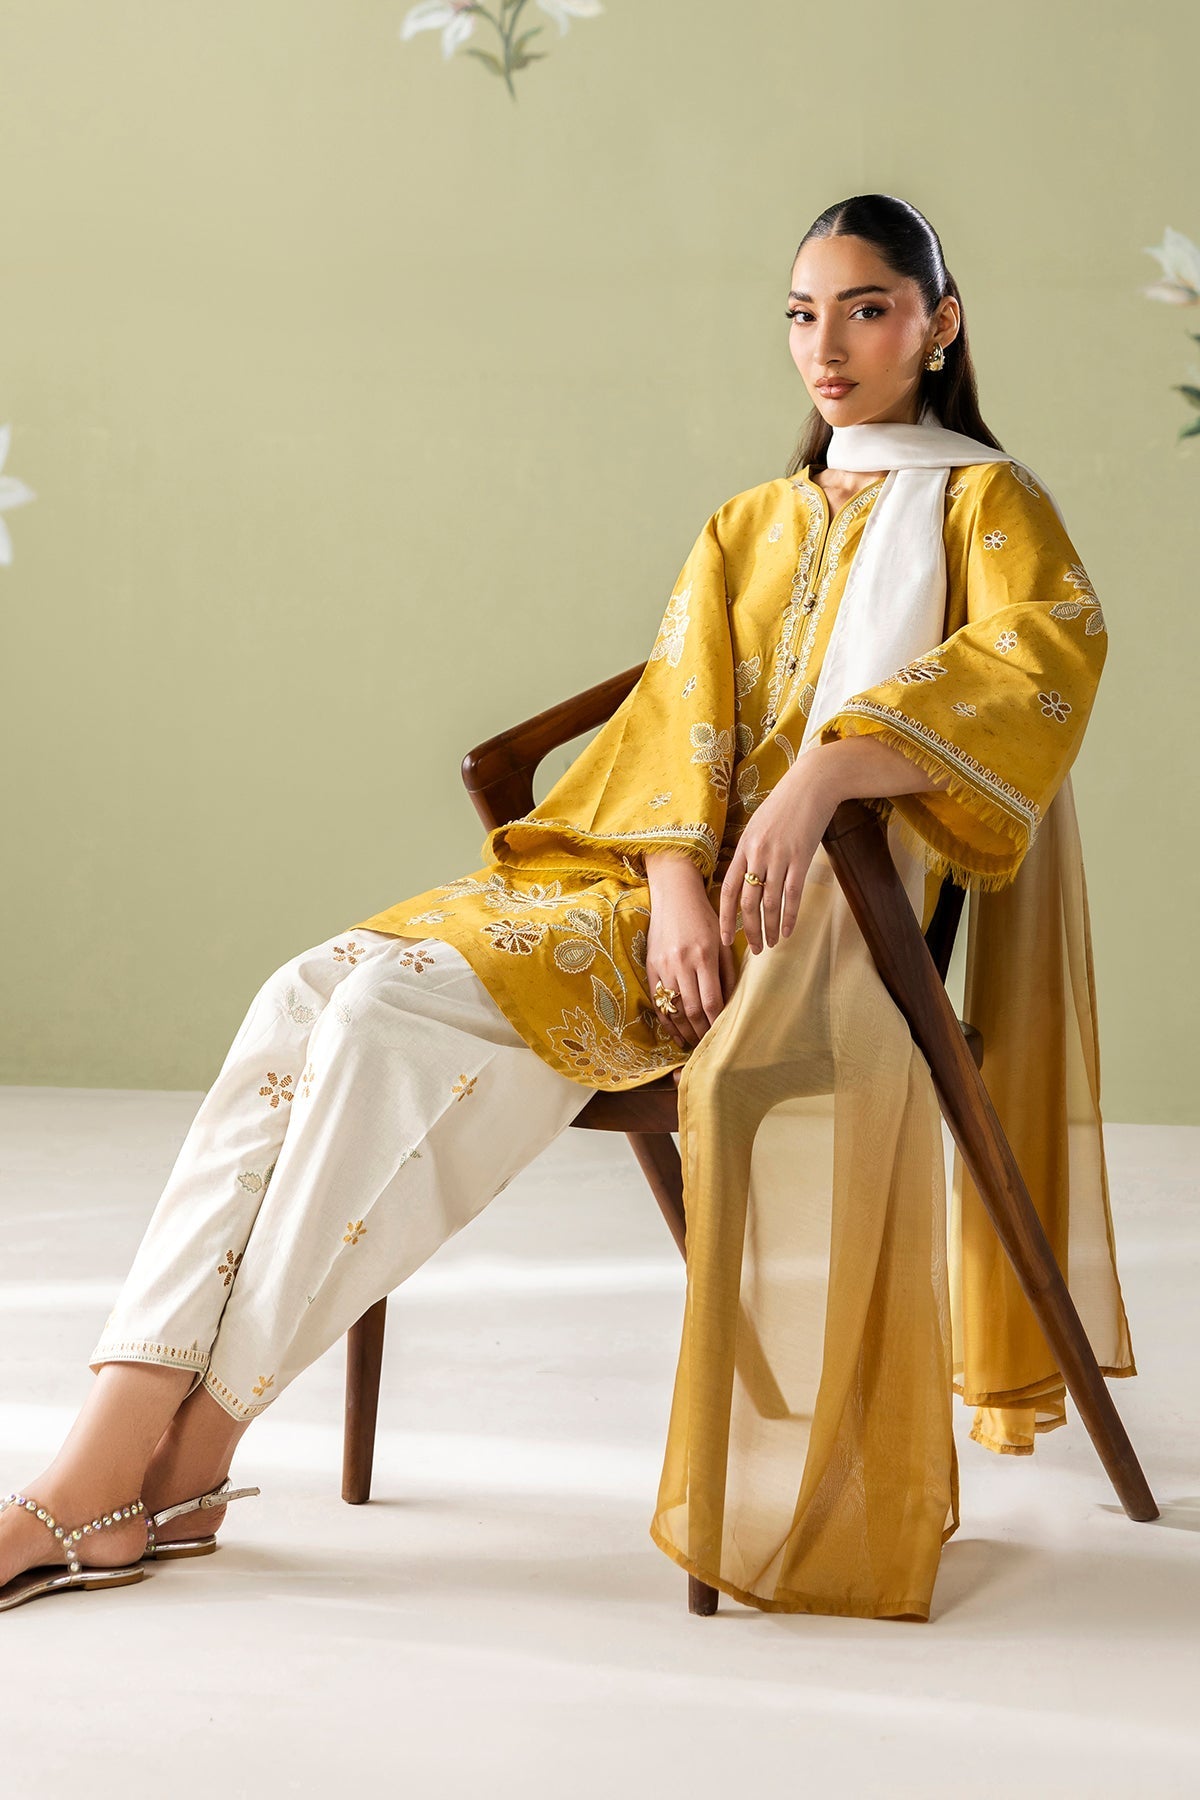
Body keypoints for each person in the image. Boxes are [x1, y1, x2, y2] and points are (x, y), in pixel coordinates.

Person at [1, 192, 1135, 1621]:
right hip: (643, 899)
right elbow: (674, 728)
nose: (828, 347)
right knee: (306, 992)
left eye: (865, 309)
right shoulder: (747, 524)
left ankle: (161, 1456)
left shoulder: (990, 504)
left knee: (384, 1016)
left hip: (825, 928)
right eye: (802, 313)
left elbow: (1039, 664)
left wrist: (817, 785)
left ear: (937, 324)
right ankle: (132, 1445)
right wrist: (675, 881)